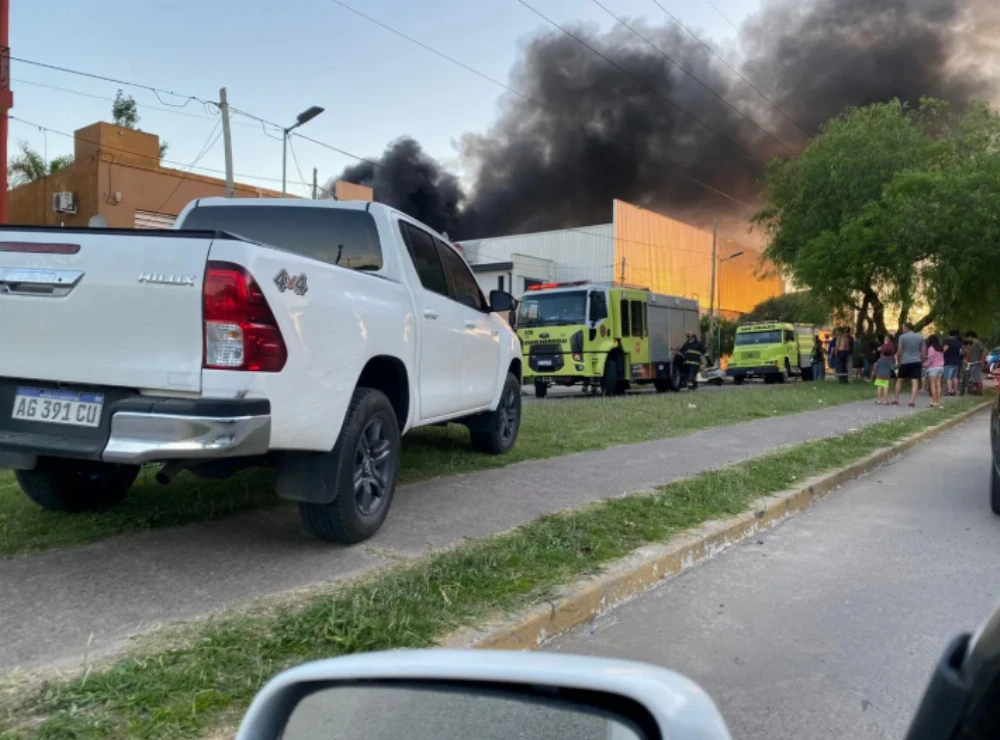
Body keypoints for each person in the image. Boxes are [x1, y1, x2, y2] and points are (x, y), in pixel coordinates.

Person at [894, 322, 925, 407]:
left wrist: (899, 361)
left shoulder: (902, 337)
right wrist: (921, 361)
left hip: (905, 361)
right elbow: (923, 352)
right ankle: (912, 401)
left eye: (904, 328)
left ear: (907, 328)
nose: (903, 330)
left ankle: (896, 399)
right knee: (914, 381)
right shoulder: (920, 337)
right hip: (916, 361)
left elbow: (899, 350)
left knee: (899, 380)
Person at [924, 334, 945, 407]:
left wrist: (925, 364)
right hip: (941, 367)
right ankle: (938, 401)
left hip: (933, 368)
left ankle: (933, 401)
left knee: (933, 385)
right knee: (938, 385)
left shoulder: (931, 348)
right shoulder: (940, 348)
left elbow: (931, 359)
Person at [943, 329, 963, 397]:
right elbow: (961, 352)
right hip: (956, 361)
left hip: (948, 361)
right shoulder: (959, 343)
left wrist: (941, 353)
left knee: (948, 377)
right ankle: (956, 390)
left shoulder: (948, 342)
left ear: (948, 335)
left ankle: (950, 391)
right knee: (955, 376)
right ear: (955, 335)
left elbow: (945, 349)